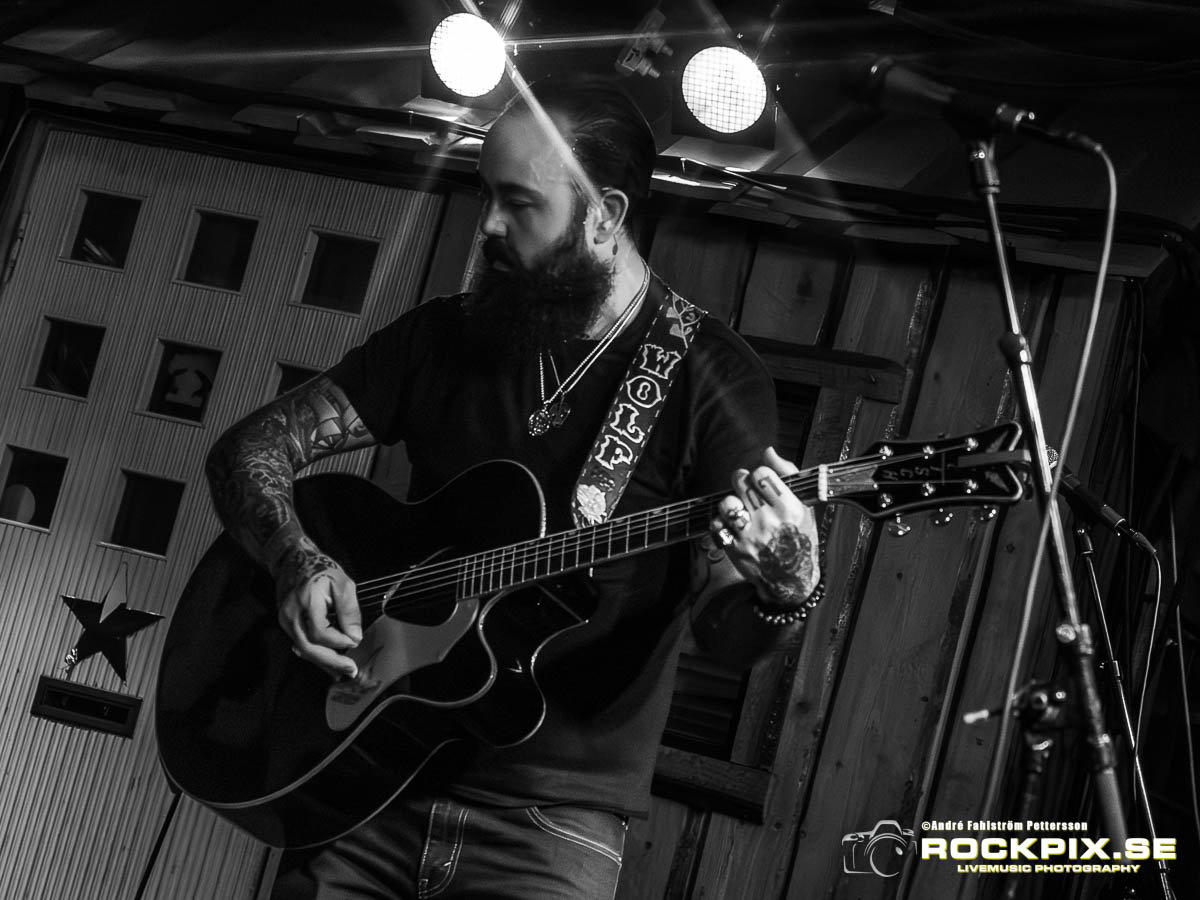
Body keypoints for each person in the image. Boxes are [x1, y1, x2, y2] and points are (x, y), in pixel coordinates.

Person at [205, 74, 821, 899]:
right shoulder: (446, 336)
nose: (489, 224)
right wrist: (296, 560)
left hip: (551, 828)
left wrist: (786, 589)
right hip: (367, 782)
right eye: (485, 194)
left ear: (605, 213)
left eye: (518, 202)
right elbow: (250, 448)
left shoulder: (707, 378)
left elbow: (726, 630)